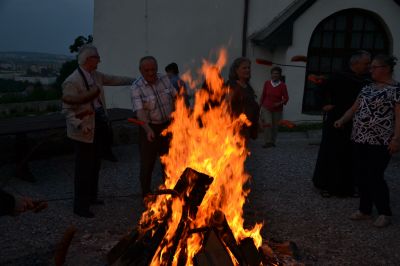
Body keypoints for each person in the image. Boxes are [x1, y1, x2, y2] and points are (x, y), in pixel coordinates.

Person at [62, 44, 134, 218]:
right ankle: (80, 206)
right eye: (97, 58)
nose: (100, 61)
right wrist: (80, 125)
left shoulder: (96, 75)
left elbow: (115, 79)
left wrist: (136, 80)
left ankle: (91, 198)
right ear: (89, 60)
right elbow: (67, 111)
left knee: (95, 165)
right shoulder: (72, 81)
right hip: (83, 131)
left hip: (98, 125)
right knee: (83, 169)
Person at [334, 54, 400, 228]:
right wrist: (342, 119)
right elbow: (354, 108)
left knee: (375, 176)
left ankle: (385, 213)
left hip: (381, 141)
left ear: (385, 69)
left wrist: (396, 139)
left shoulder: (396, 90)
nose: (370, 70)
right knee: (361, 175)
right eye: (370, 67)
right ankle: (365, 210)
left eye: (374, 67)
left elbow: (399, 117)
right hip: (360, 138)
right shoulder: (367, 88)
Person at [312, 51, 371, 197]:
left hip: (356, 121)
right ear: (355, 63)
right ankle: (327, 184)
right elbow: (320, 89)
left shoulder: (367, 79)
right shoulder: (339, 76)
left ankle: (349, 186)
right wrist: (324, 104)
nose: (368, 67)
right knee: (332, 152)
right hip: (336, 120)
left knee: (351, 154)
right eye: (366, 63)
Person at [131, 56, 177, 198]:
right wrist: (148, 130)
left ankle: (171, 193)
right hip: (149, 127)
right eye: (147, 70)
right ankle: (146, 194)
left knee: (169, 162)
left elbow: (176, 97)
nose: (151, 73)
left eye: (153, 69)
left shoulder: (164, 79)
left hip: (167, 126)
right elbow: (139, 112)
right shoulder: (136, 88)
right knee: (147, 164)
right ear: (140, 70)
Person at [226, 57, 260, 140]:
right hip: (235, 127)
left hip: (247, 128)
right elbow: (227, 105)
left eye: (248, 68)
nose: (247, 70)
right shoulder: (232, 85)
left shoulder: (248, 87)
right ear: (236, 70)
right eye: (244, 68)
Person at [259, 66, 289, 148]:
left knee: (275, 127)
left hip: (277, 109)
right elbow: (263, 94)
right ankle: (267, 142)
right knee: (268, 123)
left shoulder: (283, 85)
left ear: (279, 75)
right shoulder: (267, 83)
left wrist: (279, 103)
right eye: (273, 73)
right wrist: (260, 105)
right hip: (266, 107)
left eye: (277, 74)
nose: (275, 75)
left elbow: (286, 98)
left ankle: (272, 142)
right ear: (271, 74)